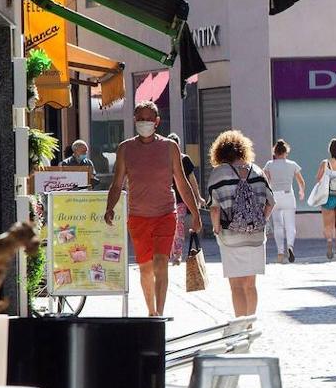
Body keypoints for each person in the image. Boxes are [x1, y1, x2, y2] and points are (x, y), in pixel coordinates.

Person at [104, 101, 201, 317]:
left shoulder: (169, 147)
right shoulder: (125, 148)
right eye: (140, 118)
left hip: (166, 214)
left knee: (160, 263)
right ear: (134, 121)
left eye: (149, 119)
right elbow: (117, 183)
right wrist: (110, 207)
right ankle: (151, 310)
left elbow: (182, 182)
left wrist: (195, 213)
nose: (144, 122)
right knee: (146, 268)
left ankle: (160, 312)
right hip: (138, 217)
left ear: (157, 122)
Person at [206, 131, 274, 318]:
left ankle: (241, 325)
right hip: (256, 236)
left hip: (230, 236)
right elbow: (271, 202)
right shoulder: (258, 171)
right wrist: (261, 220)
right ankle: (250, 323)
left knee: (236, 285)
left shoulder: (218, 174)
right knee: (251, 284)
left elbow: (214, 209)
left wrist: (216, 229)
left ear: (219, 152)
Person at [264, 139, 306, 264]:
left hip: (275, 197)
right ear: (286, 152)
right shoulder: (292, 164)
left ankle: (280, 254)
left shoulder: (269, 164)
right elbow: (301, 182)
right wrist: (301, 192)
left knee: (278, 225)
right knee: (290, 225)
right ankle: (290, 246)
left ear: (275, 152)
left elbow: (265, 181)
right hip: (288, 195)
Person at [165, 133, 201, 266]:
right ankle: (169, 253)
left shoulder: (185, 160)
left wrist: (197, 197)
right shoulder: (162, 160)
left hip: (180, 200)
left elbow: (192, 180)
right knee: (168, 227)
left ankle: (177, 254)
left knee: (178, 226)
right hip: (166, 200)